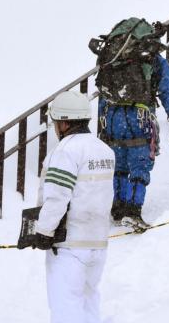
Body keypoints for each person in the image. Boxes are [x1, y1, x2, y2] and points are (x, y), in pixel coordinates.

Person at [94, 18, 169, 230]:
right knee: (140, 163)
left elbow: (102, 91)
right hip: (140, 116)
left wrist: (101, 122)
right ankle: (133, 211)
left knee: (120, 164)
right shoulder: (153, 59)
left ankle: (118, 206)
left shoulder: (113, 58)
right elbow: (167, 90)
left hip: (112, 115)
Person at [35, 90, 115, 323]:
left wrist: (43, 230)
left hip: (69, 245)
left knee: (65, 308)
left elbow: (57, 196)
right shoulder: (104, 150)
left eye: (56, 122)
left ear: (64, 122)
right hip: (98, 243)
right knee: (89, 303)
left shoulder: (65, 151)